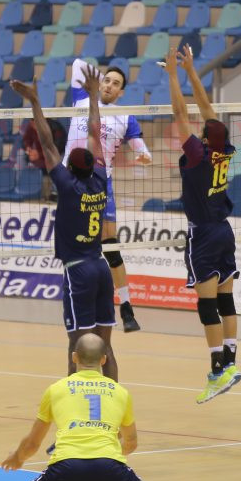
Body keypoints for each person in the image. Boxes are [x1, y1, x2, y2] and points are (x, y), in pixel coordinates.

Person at [11, 65, 119, 381]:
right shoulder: (100, 178)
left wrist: (34, 102)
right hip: (101, 268)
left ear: (69, 168)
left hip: (78, 270)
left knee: (78, 347)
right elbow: (95, 133)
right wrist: (95, 97)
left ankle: (75, 410)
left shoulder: (69, 187)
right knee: (105, 348)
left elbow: (46, 142)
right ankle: (111, 412)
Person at [164, 46, 241, 403]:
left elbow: (182, 111)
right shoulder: (224, 147)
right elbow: (206, 108)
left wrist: (171, 74)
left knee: (206, 305)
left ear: (203, 137)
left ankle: (216, 371)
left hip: (204, 235)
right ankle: (230, 361)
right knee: (226, 300)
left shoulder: (197, 154)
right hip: (225, 230)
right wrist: (192, 71)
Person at [63, 58, 153, 333]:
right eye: (107, 81)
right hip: (71, 182)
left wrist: (144, 155)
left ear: (122, 92)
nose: (110, 86)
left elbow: (142, 148)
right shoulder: (81, 98)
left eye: (116, 84)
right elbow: (78, 62)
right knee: (78, 247)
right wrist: (98, 83)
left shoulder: (125, 116)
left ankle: (126, 306)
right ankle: (82, 302)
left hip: (102, 184)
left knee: (110, 245)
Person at [1, 333, 142, 481]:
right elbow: (131, 442)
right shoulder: (121, 392)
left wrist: (17, 457)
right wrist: (106, 457)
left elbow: (33, 443)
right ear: (103, 360)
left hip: (66, 466)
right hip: (110, 466)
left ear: (74, 357)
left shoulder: (56, 389)